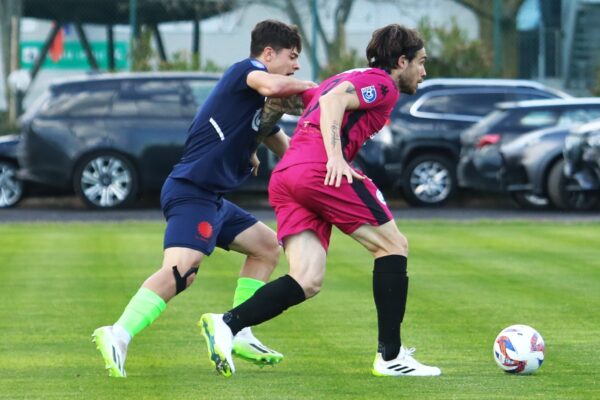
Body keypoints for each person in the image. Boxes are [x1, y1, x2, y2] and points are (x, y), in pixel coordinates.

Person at [199, 24, 442, 378]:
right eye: (421, 62)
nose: (424, 71)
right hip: (319, 170)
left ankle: (227, 323)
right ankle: (391, 357)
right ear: (401, 60)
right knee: (393, 245)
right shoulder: (383, 84)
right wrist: (335, 157)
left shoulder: (344, 76)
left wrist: (251, 147)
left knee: (307, 278)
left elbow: (276, 104)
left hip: (288, 176)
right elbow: (331, 102)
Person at [92, 19, 316, 378]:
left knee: (266, 247)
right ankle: (118, 333)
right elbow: (274, 84)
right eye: (292, 57)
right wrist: (321, 90)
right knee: (182, 272)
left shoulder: (258, 110)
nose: (297, 65)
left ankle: (238, 331)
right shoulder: (249, 69)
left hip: (212, 199)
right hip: (191, 191)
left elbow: (287, 150)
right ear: (269, 53)